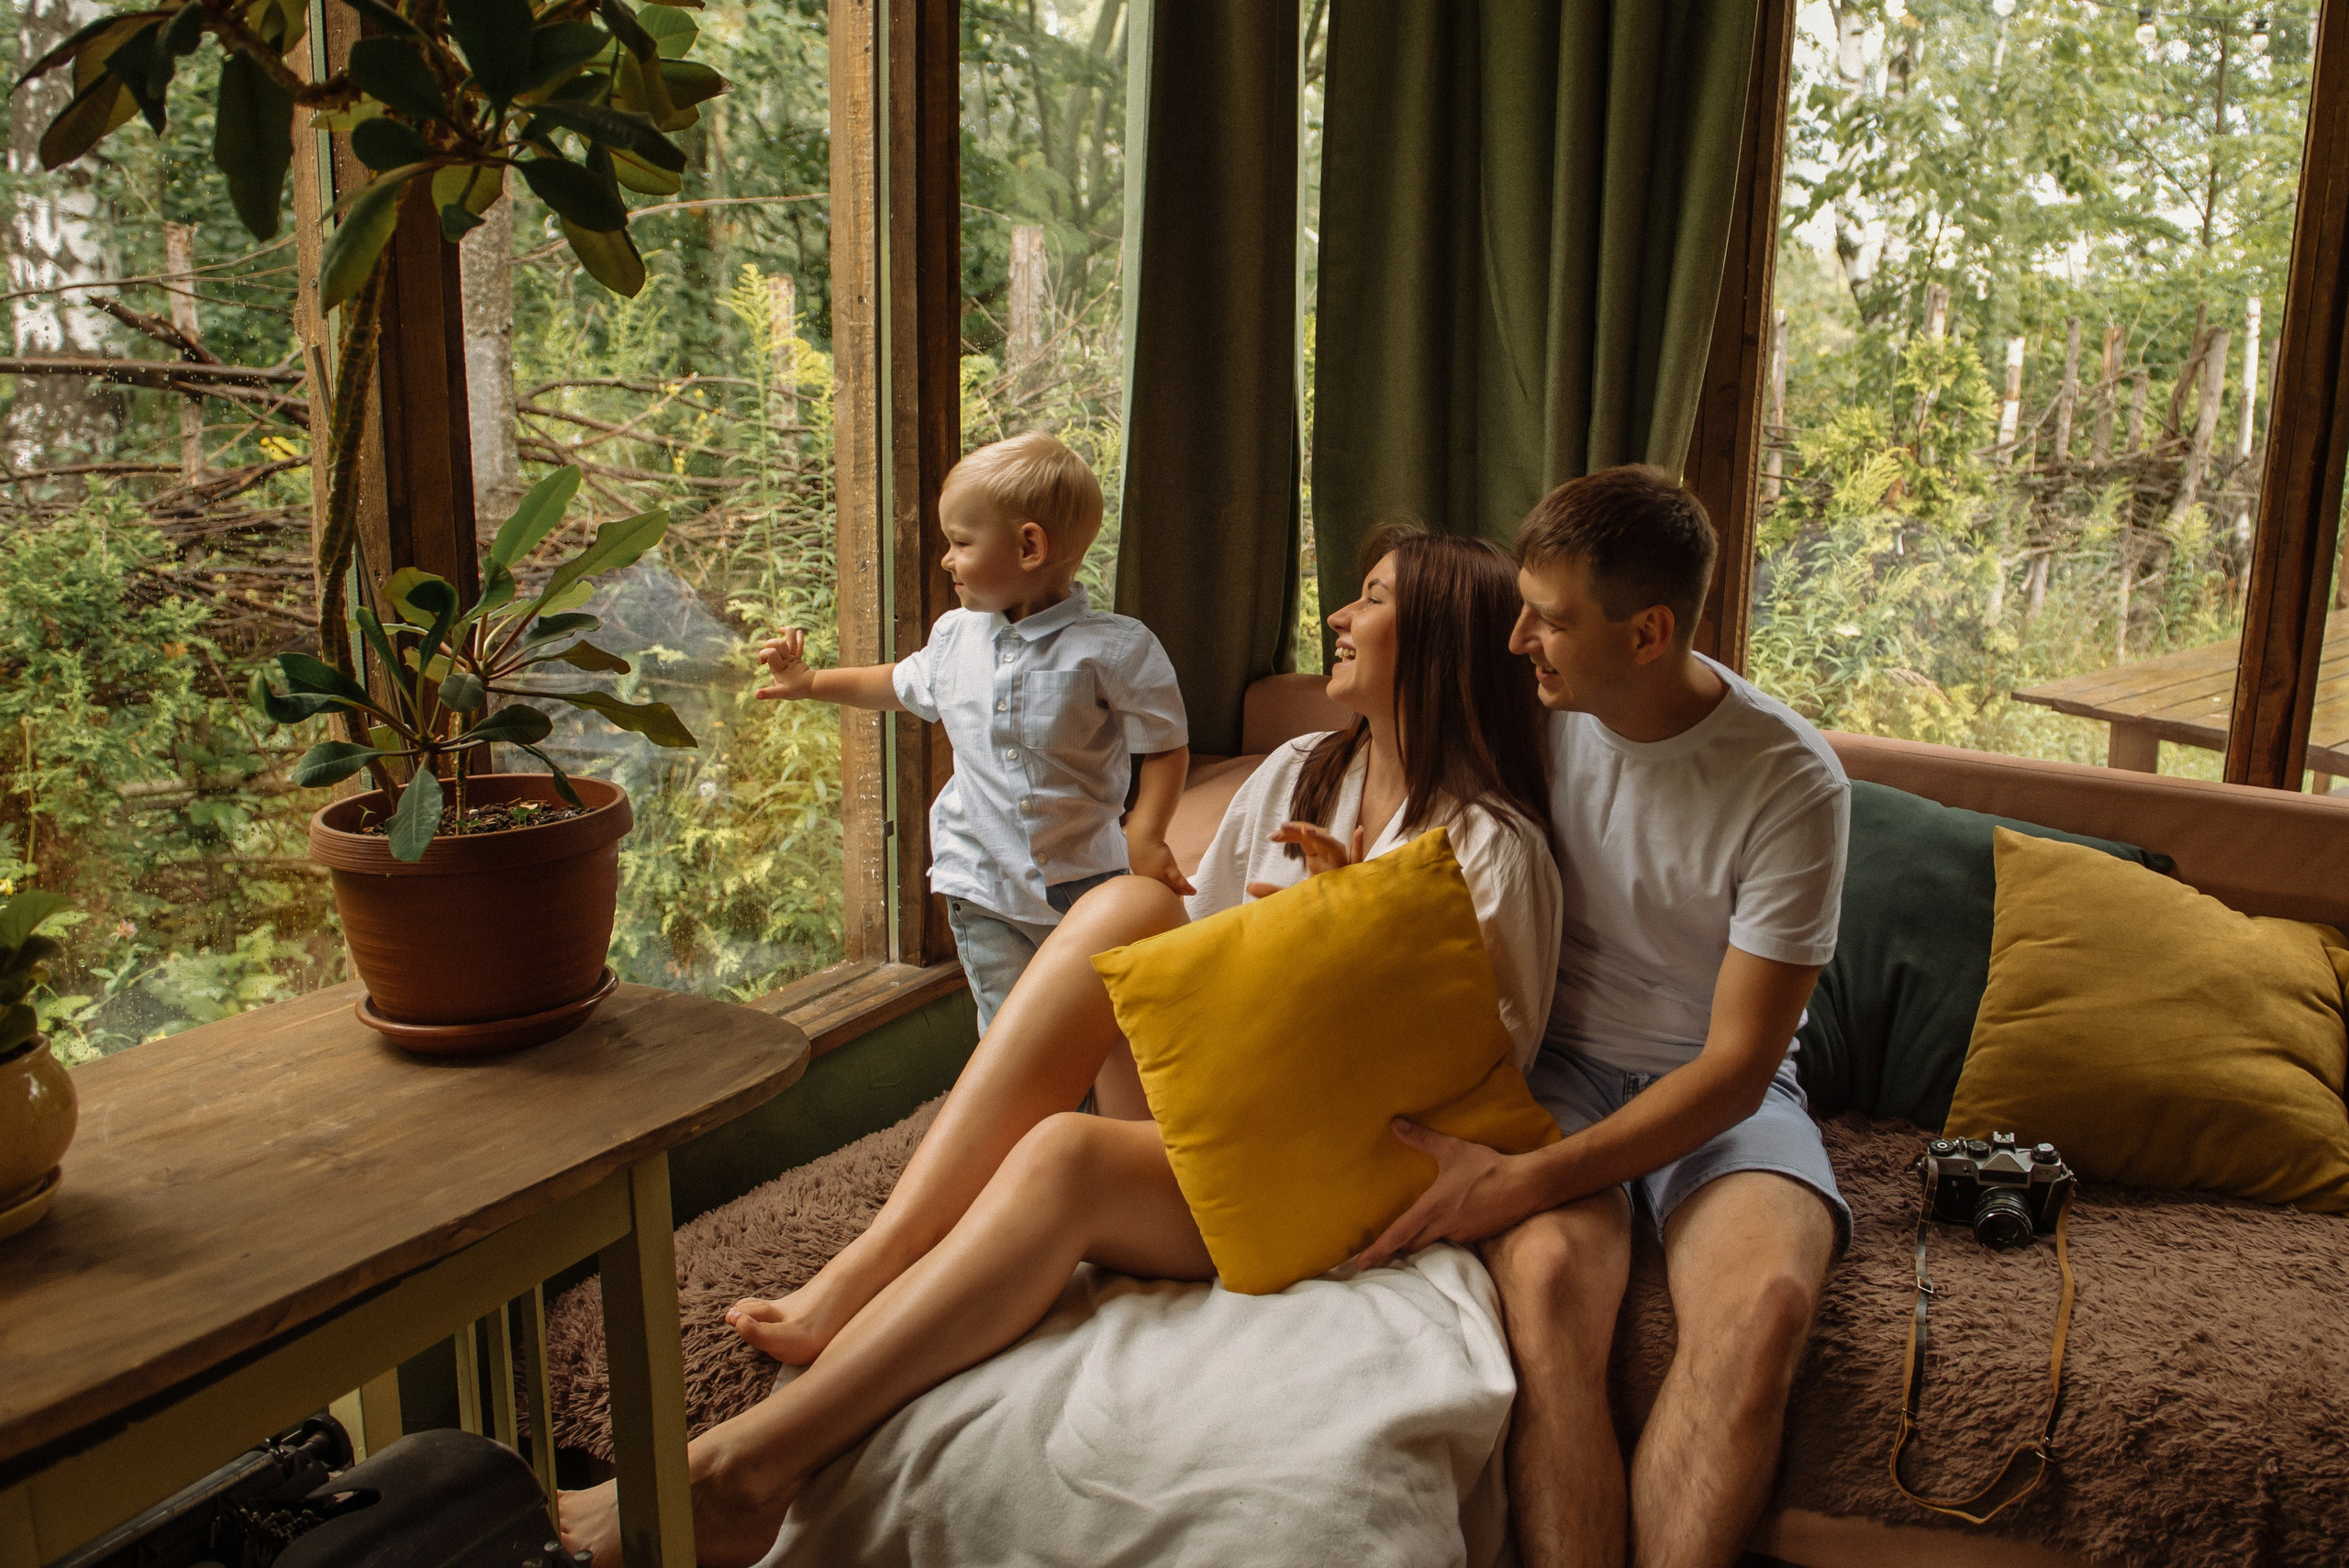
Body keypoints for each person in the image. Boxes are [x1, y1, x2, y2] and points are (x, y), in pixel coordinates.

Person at [561, 528, 1562, 1567]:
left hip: (1349, 1166)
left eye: (1370, 600)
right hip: (1228, 1100)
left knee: (1061, 1154)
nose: (1339, 620)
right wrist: (1262, 933)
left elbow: (1478, 1071)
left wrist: (1351, 929)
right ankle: (875, 1258)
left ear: (1441, 638)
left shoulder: (1493, 843)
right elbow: (1193, 956)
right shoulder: (1303, 769)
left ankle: (740, 1473)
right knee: (1129, 903)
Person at [1353, 466, 1852, 1568]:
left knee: (1767, 1301)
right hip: (1555, 1065)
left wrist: (1524, 1179)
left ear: (1648, 631)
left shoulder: (1790, 781)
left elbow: (1734, 1065)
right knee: (1541, 1280)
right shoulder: (1530, 712)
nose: (1518, 635)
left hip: (1721, 1089)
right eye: (1523, 606)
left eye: (1551, 618)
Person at [753, 429, 1193, 1041]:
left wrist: (1145, 832)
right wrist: (810, 680)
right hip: (981, 883)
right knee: (1012, 1034)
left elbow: (1165, 742)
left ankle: (1089, 1131)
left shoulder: (1115, 649)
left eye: (960, 542)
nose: (946, 559)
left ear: (1029, 546)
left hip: (1089, 881)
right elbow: (897, 683)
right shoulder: (956, 636)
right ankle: (1019, 1131)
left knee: (1101, 1029)